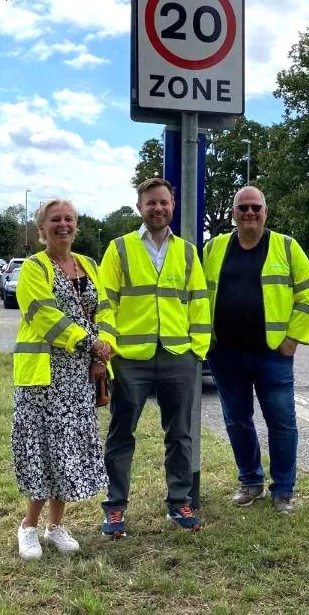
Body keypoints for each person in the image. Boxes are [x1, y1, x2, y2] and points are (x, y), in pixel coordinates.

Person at [99, 177, 211, 537]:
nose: (158, 208)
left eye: (164, 202)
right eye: (151, 203)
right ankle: (115, 508)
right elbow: (106, 303)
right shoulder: (118, 249)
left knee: (179, 433)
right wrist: (108, 347)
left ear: (172, 206)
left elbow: (198, 301)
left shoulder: (189, 252)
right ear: (140, 208)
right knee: (121, 433)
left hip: (179, 355)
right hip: (130, 357)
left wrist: (198, 350)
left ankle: (179, 503)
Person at [12, 199, 116, 561]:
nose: (63, 224)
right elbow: (44, 316)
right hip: (44, 377)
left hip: (80, 376)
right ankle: (28, 526)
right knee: (41, 449)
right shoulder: (33, 268)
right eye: (55, 219)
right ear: (42, 228)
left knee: (67, 450)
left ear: (76, 225)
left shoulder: (89, 265)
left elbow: (106, 310)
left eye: (69, 219)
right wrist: (91, 344)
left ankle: (55, 527)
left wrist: (106, 347)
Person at [203, 186, 309, 513]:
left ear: (265, 212)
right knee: (237, 421)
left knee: (281, 422)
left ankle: (283, 490)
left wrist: (292, 338)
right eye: (243, 208)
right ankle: (250, 481)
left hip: (272, 355)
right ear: (233, 214)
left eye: (256, 208)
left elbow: (308, 294)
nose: (250, 213)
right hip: (225, 354)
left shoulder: (286, 246)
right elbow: (198, 294)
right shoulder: (214, 248)